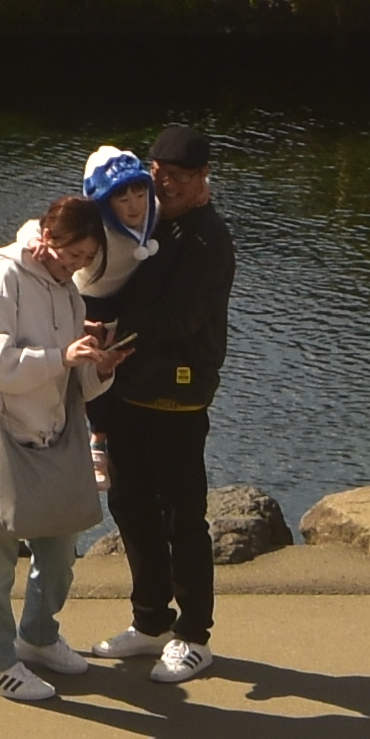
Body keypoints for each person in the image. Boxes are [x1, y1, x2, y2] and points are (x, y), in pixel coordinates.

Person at [0, 180, 123, 700]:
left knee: (61, 550)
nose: (77, 266)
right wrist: (59, 357)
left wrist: (100, 366)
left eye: (88, 259)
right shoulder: (2, 279)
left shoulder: (68, 291)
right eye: (73, 254)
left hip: (49, 438)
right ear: (47, 237)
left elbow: (69, 380)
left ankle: (39, 636)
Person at [100, 122, 236, 679]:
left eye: (180, 175)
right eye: (158, 173)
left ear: (203, 178)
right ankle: (151, 620)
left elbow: (181, 316)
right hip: (127, 392)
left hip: (179, 395)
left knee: (183, 517)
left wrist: (109, 329)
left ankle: (194, 635)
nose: (166, 184)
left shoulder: (209, 238)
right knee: (130, 507)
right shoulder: (142, 222)